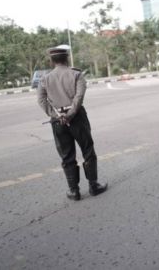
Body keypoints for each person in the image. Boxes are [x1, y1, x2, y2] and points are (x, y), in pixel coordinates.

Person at [37, 44, 107, 201]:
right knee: (88, 150)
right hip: (77, 119)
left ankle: (74, 191)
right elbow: (79, 97)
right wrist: (70, 114)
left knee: (67, 155)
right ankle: (94, 186)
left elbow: (41, 100)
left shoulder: (45, 79)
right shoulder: (76, 75)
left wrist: (56, 115)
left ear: (52, 60)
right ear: (66, 58)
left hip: (58, 121)